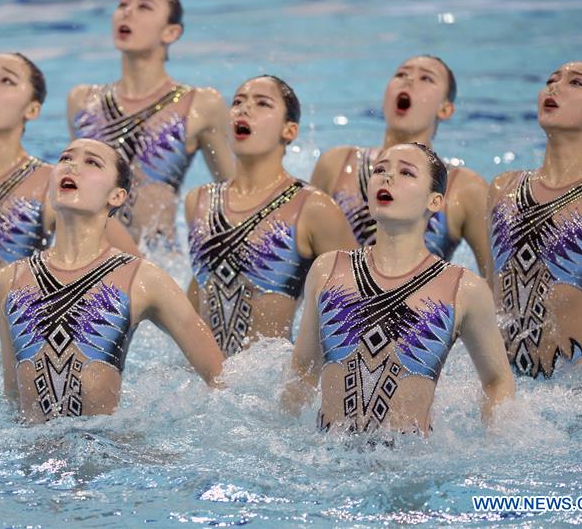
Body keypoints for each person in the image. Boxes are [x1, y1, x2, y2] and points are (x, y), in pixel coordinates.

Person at [286, 143, 514, 434]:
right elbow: (303, 370)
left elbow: (497, 381)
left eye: (406, 172)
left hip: (408, 468)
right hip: (328, 462)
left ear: (435, 201)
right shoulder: (328, 270)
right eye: (380, 169)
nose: (386, 177)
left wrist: (494, 440)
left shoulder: (463, 289)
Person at [0, 138, 225, 422]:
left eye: (91, 162)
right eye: (66, 158)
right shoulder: (10, 280)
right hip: (31, 453)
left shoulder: (142, 280)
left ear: (116, 196)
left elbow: (221, 380)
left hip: (108, 456)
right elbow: (12, 400)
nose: (73, 166)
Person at [0, 53, 136, 327]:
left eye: (6, 80)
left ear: (32, 110)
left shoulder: (51, 184)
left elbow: (133, 266)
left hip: (19, 342)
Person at [186, 75, 356, 356]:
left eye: (262, 103)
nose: (244, 109)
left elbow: (358, 306)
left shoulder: (313, 209)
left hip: (269, 387)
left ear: (289, 130)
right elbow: (198, 289)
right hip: (203, 384)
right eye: (238, 102)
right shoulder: (199, 201)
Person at [67, 0, 235, 246]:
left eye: (144, 6)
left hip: (159, 265)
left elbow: (235, 196)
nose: (127, 12)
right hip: (95, 260)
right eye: (123, 4)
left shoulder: (200, 104)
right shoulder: (82, 102)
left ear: (171, 32)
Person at [488, 61, 582, 378]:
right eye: (551, 79)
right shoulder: (502, 189)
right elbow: (488, 295)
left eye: (576, 83)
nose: (555, 87)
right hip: (512, 389)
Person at [310, 55, 491, 276]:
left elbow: (495, 286)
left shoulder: (463, 188)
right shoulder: (336, 164)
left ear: (445, 109)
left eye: (426, 78)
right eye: (401, 74)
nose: (409, 81)